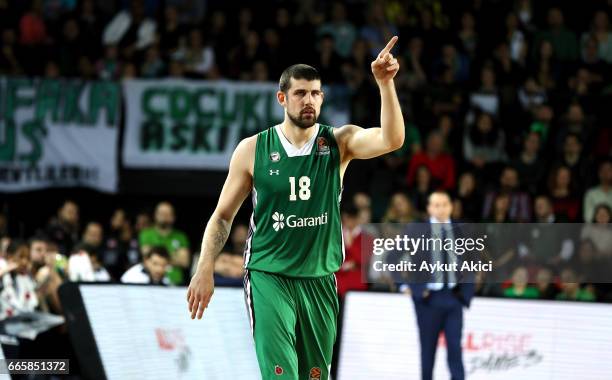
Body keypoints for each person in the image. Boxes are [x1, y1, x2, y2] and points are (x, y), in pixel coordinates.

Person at [187, 37, 405, 380]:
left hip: (319, 278)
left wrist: (385, 84)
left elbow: (391, 140)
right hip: (269, 273)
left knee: (314, 376)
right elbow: (223, 216)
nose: (309, 100)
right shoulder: (253, 149)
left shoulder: (338, 142)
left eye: (316, 93)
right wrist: (205, 267)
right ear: (282, 98)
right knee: (281, 374)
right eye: (301, 93)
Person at [404, 191, 474, 380]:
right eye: (436, 205)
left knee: (455, 350)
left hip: (453, 298)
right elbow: (393, 257)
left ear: (451, 206)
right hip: (428, 300)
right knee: (427, 353)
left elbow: (472, 261)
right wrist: (407, 286)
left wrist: (466, 293)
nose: (441, 208)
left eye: (444, 204)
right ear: (429, 208)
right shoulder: (417, 230)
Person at [139, 202, 190, 285]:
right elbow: (147, 257)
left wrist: (158, 258)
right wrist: (174, 255)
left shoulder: (181, 236)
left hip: (176, 282)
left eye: (167, 214)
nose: (164, 216)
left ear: (173, 217)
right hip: (151, 281)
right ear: (155, 215)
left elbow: (184, 261)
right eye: (161, 213)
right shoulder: (146, 234)